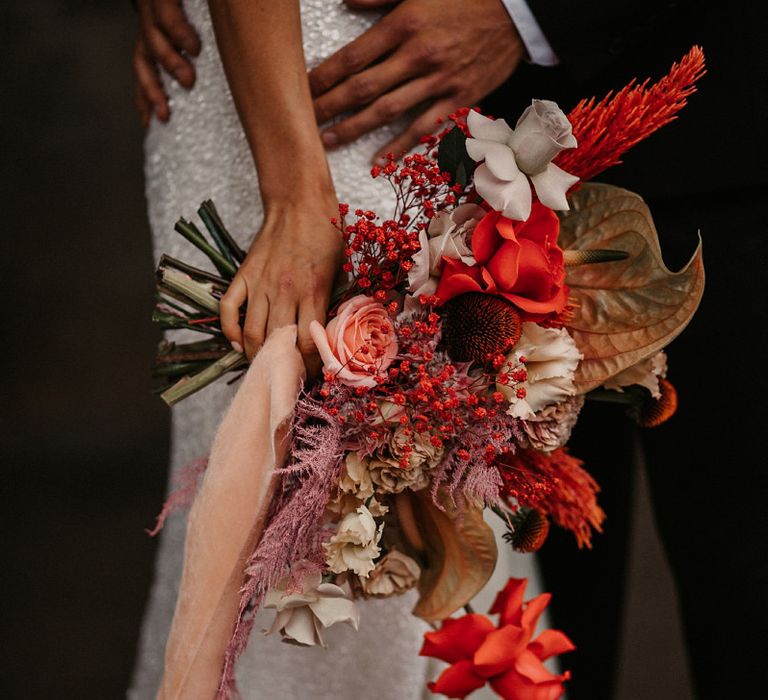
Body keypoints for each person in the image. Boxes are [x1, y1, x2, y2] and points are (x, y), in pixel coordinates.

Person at [133, 1, 768, 698]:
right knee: (458, 585)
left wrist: (524, 13)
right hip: (366, 117)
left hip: (705, 124)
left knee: (741, 586)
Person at [128, 1, 538, 698]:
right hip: (292, 109)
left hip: (404, 84)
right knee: (290, 516)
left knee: (415, 514)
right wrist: (294, 194)